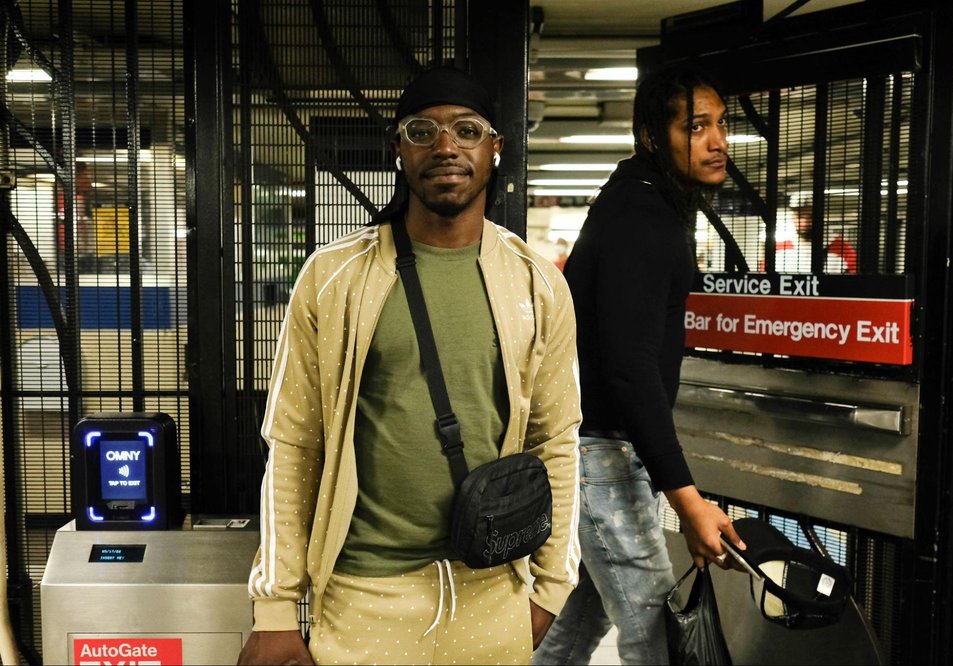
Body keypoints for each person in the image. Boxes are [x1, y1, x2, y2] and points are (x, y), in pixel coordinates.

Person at [238, 66, 582, 666]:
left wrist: (550, 591)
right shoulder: (334, 277)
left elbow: (557, 438)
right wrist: (275, 608)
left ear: (495, 148)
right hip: (364, 596)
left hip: (491, 594)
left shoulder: (536, 284)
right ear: (398, 150)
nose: (445, 146)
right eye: (423, 131)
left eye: (467, 130)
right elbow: (294, 443)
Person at [533, 65, 746, 665]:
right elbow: (630, 368)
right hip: (601, 458)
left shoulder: (641, 202)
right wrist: (688, 500)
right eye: (695, 126)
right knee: (658, 635)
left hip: (598, 454)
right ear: (654, 137)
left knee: (570, 635)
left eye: (721, 124)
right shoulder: (643, 218)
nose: (716, 141)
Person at [773, 202, 858, 273]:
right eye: (800, 216)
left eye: (810, 216)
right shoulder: (779, 248)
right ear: (793, 217)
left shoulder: (841, 248)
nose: (805, 223)